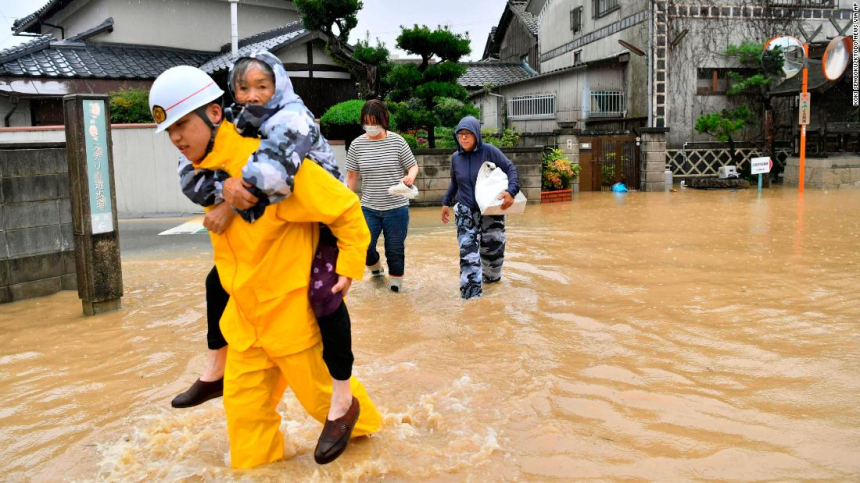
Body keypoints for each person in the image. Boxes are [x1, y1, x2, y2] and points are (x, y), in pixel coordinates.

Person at [149, 65, 381, 468]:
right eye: (169, 130)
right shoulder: (206, 174)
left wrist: (347, 265)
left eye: (182, 124)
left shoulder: (276, 165)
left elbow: (344, 207)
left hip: (293, 322)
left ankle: (384, 455)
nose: (176, 138)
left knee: (333, 410)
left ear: (214, 115)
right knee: (245, 426)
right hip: (245, 326)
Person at [440, 116, 520, 300]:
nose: (464, 138)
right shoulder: (456, 158)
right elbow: (454, 182)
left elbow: (511, 169)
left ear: (476, 134)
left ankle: (491, 285)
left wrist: (511, 191)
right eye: (460, 135)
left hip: (491, 211)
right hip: (466, 211)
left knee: (493, 256)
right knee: (468, 256)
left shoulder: (489, 151)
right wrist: (446, 203)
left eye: (468, 134)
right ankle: (471, 300)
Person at [345, 100, 418, 292]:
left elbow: (412, 165)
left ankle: (396, 288)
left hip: (396, 208)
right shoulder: (357, 145)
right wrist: (345, 201)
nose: (371, 126)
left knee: (395, 249)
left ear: (384, 120)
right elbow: (351, 175)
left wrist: (410, 176)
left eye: (374, 121)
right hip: (369, 207)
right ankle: (376, 270)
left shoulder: (397, 141)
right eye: (367, 121)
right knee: (364, 246)